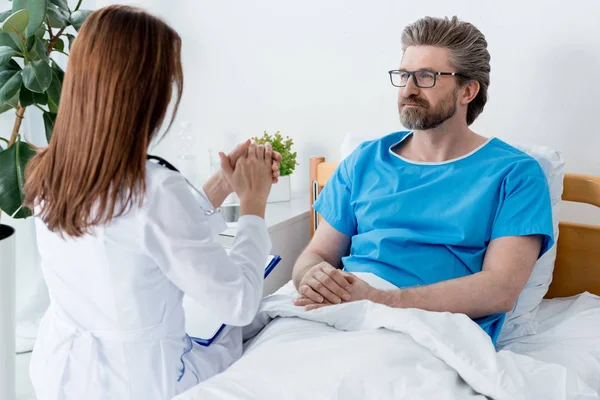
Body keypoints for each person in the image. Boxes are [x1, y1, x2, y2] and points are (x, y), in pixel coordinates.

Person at [23, 6, 280, 400]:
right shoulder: (154, 190)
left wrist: (221, 186)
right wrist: (253, 204)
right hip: (144, 383)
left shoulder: (47, 171)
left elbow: (138, 236)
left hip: (61, 376)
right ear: (145, 94)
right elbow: (239, 303)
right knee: (246, 329)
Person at [292, 16, 554, 345]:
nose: (408, 89)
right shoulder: (364, 160)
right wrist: (311, 277)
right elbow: (315, 254)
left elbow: (500, 290)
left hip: (428, 328)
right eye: (403, 75)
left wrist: (377, 300)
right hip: (336, 311)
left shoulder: (515, 174)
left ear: (468, 90)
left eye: (426, 76)